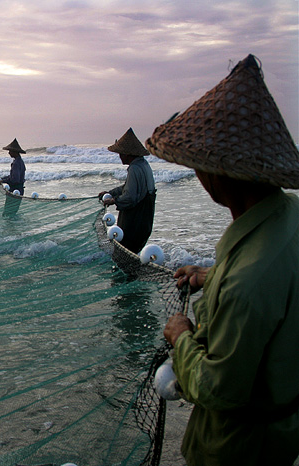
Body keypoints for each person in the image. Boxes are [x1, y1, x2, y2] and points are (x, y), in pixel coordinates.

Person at [147, 54, 299, 466]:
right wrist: (211, 277)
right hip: (283, 435)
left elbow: (219, 388)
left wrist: (181, 337)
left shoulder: (246, 281)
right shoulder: (288, 220)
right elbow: (275, 292)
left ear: (216, 175)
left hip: (238, 448)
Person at [98, 128, 156, 254]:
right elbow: (127, 187)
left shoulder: (135, 168)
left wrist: (114, 200)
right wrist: (111, 192)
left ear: (128, 154)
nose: (119, 156)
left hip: (136, 221)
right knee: (133, 252)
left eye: (121, 153)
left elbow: (130, 197)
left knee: (125, 250)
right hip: (145, 221)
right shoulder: (143, 164)